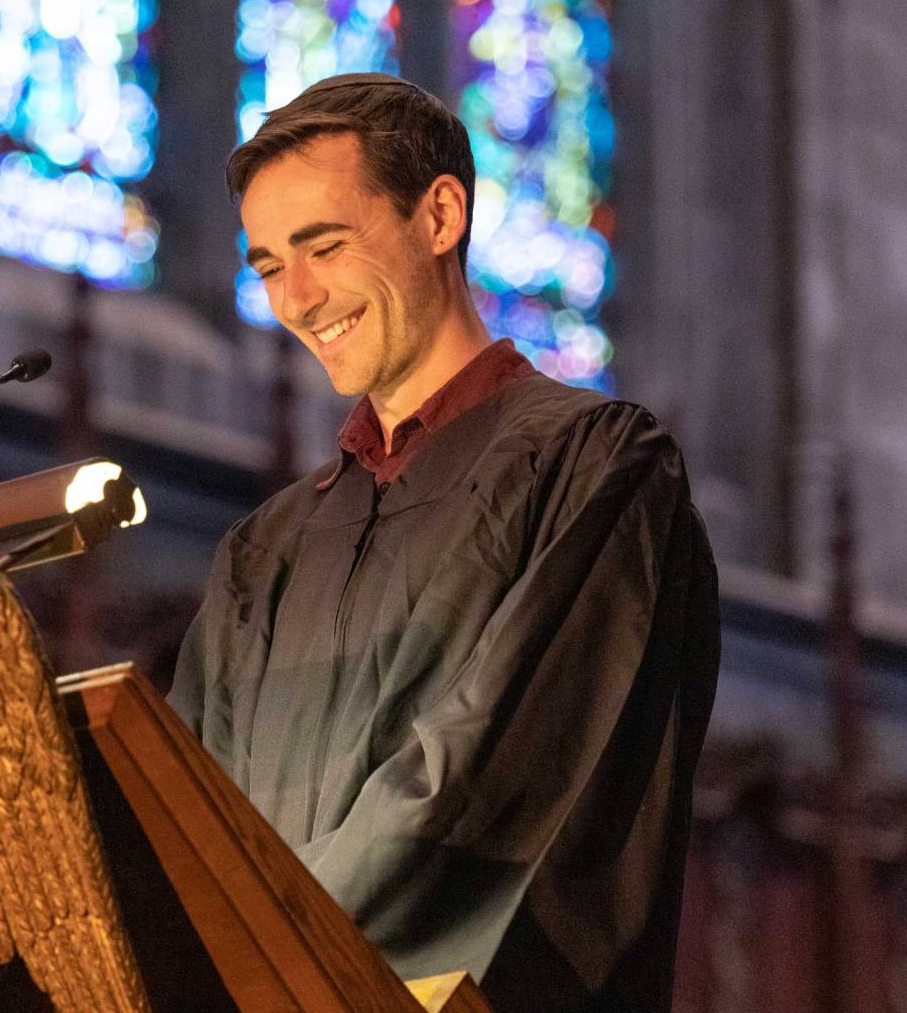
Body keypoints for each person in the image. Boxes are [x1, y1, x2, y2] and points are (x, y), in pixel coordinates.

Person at [168, 73, 720, 1012]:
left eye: (325, 247)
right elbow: (182, 824)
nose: (297, 299)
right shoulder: (266, 554)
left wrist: (263, 950)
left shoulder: (596, 469)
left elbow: (487, 785)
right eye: (266, 267)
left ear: (439, 215)